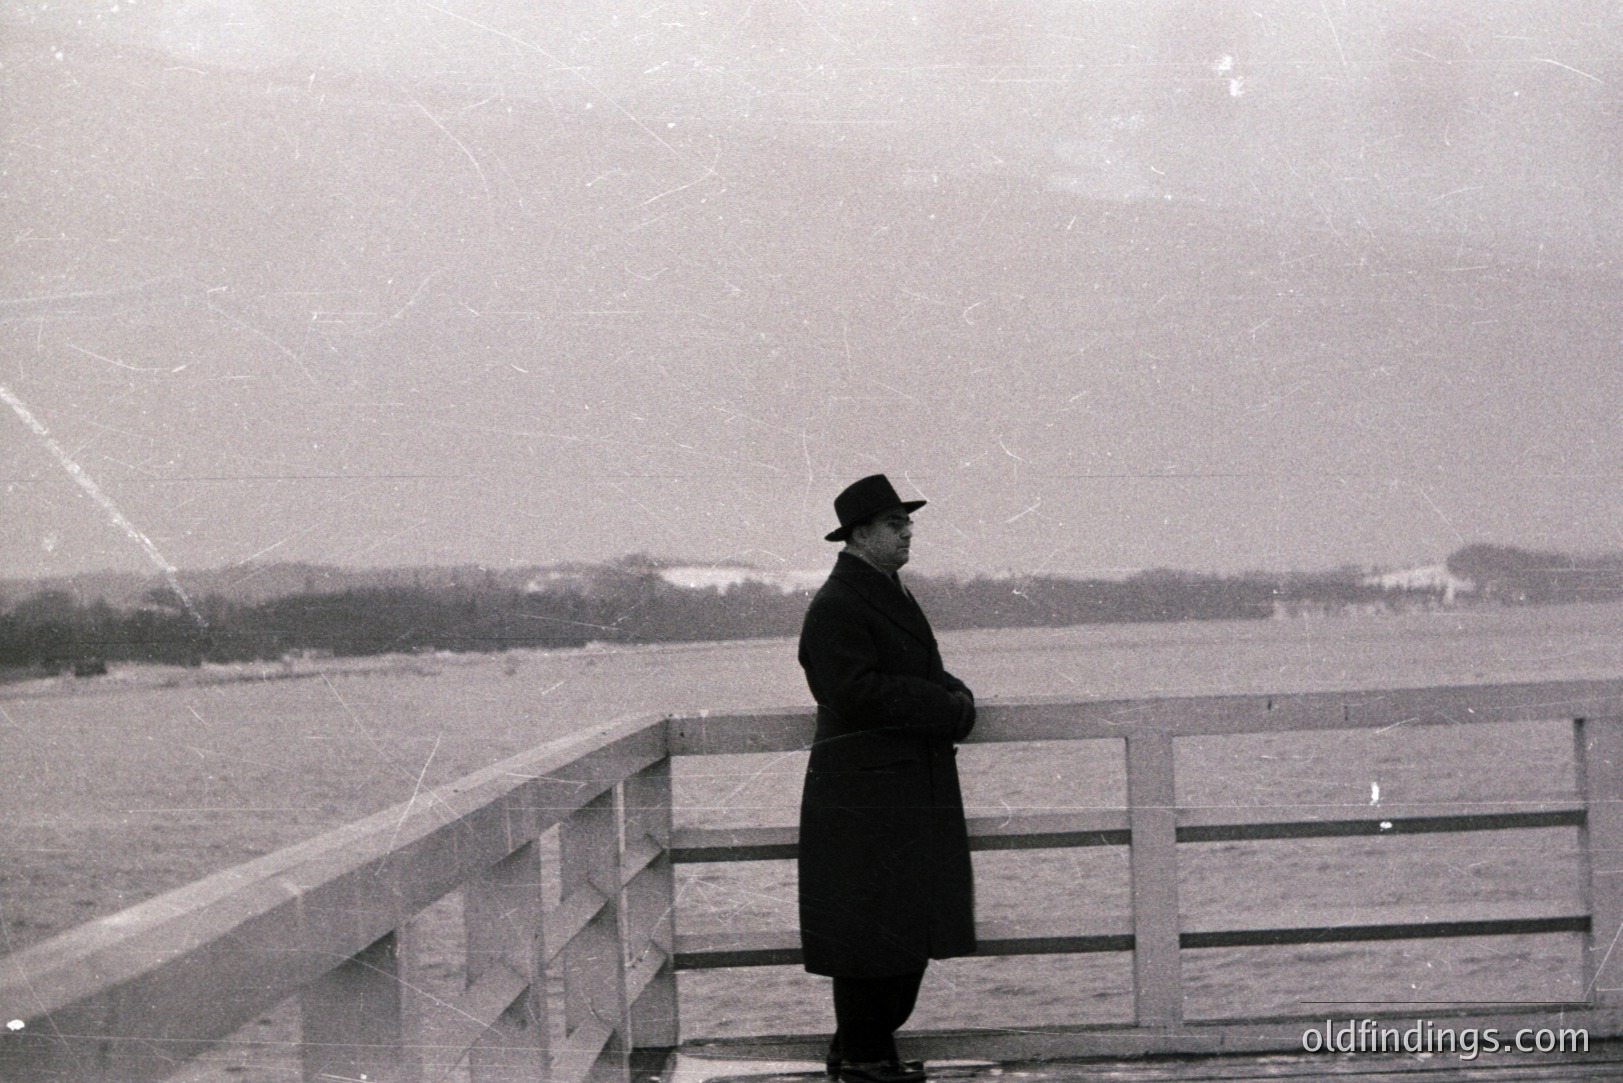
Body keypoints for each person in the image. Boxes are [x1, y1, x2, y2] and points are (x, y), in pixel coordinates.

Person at [797, 474, 977, 1083]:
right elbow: (854, 692)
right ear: (860, 534)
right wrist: (947, 707)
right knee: (870, 940)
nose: (908, 534)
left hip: (893, 793)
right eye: (896, 525)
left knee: (894, 931)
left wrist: (952, 695)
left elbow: (918, 670)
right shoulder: (838, 604)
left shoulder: (881, 591)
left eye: (908, 524)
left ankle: (862, 1055)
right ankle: (865, 1063)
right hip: (867, 799)